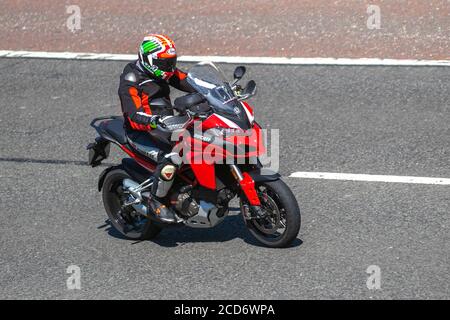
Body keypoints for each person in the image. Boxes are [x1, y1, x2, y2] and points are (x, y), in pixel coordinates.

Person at [118, 34, 194, 223]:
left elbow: (190, 82)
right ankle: (156, 200)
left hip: (166, 125)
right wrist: (154, 120)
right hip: (141, 132)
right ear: (149, 60)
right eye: (165, 63)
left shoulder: (164, 70)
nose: (170, 68)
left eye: (171, 62)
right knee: (171, 159)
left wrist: (221, 90)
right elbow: (133, 115)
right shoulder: (131, 80)